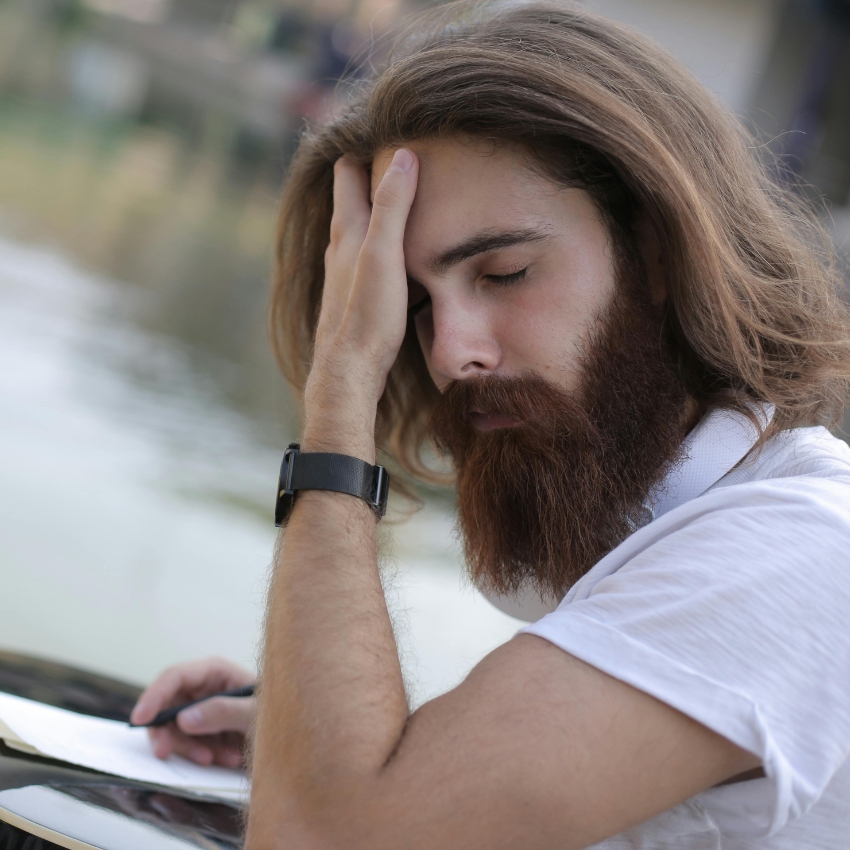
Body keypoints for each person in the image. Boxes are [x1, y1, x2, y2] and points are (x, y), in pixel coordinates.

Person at [130, 1, 850, 846]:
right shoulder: (682, 529)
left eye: (504, 272)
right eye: (418, 303)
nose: (449, 354)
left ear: (656, 252)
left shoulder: (798, 550)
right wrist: (302, 732)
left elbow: (324, 840)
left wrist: (339, 403)